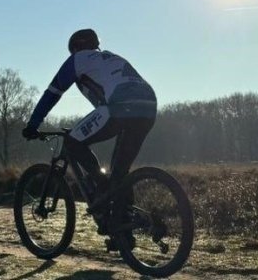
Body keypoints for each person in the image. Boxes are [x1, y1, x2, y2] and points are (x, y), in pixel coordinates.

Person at [22, 28, 157, 211]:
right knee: (119, 174)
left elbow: (52, 93)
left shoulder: (78, 59)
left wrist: (33, 124)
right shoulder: (112, 58)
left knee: (72, 142)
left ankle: (101, 185)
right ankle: (122, 228)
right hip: (148, 107)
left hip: (120, 106)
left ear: (75, 48)